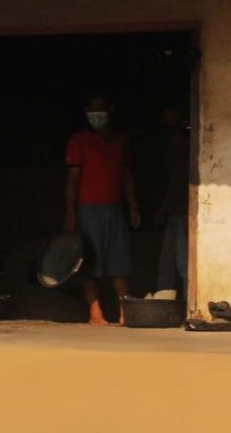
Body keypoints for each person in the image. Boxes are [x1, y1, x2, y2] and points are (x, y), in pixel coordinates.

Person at [64, 94, 141, 325]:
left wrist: (133, 206)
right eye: (92, 109)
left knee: (120, 263)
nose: (96, 114)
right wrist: (70, 211)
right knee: (89, 264)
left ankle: (124, 312)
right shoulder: (78, 140)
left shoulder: (121, 140)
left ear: (111, 110)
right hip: (88, 209)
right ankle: (95, 313)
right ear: (86, 111)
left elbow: (126, 175)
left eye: (101, 109)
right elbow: (73, 179)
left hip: (114, 209)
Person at [156, 107, 190, 295]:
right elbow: (173, 182)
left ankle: (188, 306)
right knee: (167, 263)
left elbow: (182, 181)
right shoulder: (174, 147)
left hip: (183, 211)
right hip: (174, 211)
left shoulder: (185, 146)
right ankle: (164, 305)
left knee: (183, 264)